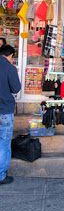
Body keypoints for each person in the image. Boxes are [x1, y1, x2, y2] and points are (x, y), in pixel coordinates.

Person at [0, 45, 21, 185]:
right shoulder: (10, 68)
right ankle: (1, 175)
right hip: (5, 111)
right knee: (3, 143)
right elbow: (16, 88)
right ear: (10, 55)